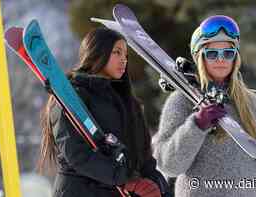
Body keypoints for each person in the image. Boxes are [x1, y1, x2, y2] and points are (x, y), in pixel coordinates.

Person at [152, 15, 256, 196]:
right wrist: (197, 125)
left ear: (235, 58)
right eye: (212, 53)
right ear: (200, 57)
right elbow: (168, 165)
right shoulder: (182, 100)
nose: (221, 60)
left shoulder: (249, 103)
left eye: (228, 53)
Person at [39, 28, 170, 197]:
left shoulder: (129, 102)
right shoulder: (71, 97)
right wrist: (125, 179)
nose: (124, 60)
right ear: (96, 53)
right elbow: (77, 154)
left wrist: (157, 184)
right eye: (117, 52)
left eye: (126, 55)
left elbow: (142, 155)